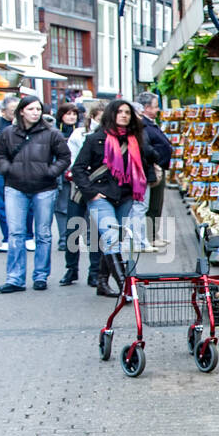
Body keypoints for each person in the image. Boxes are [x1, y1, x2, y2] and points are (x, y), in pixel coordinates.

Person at [71, 98, 151, 298]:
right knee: (111, 238)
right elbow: (78, 168)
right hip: (100, 195)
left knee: (113, 239)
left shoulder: (135, 139)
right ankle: (126, 286)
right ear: (111, 115)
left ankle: (101, 282)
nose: (124, 115)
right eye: (120, 112)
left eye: (127, 112)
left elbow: (145, 162)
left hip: (125, 196)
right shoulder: (95, 139)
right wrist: (91, 193)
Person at [0, 95, 71, 293]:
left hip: (44, 188)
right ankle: (15, 278)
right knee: (16, 233)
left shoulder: (51, 133)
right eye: (31, 109)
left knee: (43, 233)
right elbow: (0, 155)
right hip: (15, 186)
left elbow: (64, 157)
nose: (35, 113)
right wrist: (8, 170)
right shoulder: (8, 133)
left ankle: (40, 276)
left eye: (38, 109)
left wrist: (50, 172)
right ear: (21, 111)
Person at [0, 97, 34, 254]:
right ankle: (7, 238)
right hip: (0, 169)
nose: (17, 114)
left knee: (28, 203)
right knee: (3, 204)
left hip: (25, 170)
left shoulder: (29, 124)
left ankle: (28, 236)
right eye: (13, 111)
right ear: (3, 111)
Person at [65, 103, 103, 287]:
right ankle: (71, 269)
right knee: (73, 228)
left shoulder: (110, 136)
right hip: (79, 185)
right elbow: (72, 160)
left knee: (95, 232)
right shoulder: (79, 134)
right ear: (94, 116)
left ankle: (94, 271)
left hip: (98, 187)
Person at [135, 92, 174, 249]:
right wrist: (157, 158)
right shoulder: (143, 125)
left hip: (159, 166)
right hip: (153, 168)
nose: (158, 109)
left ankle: (154, 235)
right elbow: (146, 147)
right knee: (152, 204)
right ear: (146, 108)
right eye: (156, 106)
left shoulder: (150, 123)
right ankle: (150, 237)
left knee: (157, 203)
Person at [51, 103, 82, 285]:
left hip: (77, 175)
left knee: (76, 209)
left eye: (74, 114)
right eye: (68, 114)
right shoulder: (56, 131)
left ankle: (76, 238)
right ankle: (64, 238)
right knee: (61, 207)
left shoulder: (81, 131)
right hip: (61, 172)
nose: (71, 117)